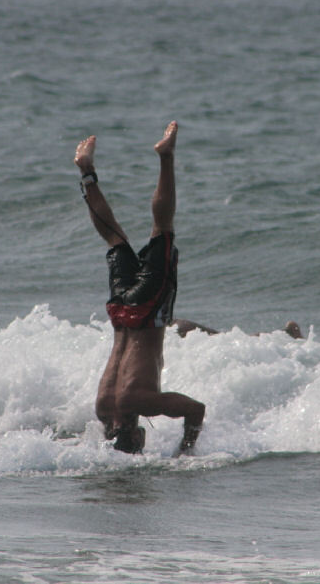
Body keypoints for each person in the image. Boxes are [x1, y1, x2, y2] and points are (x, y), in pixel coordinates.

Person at [74, 121, 205, 455]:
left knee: (162, 229)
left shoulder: (142, 402)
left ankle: (166, 157)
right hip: (119, 312)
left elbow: (196, 410)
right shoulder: (102, 407)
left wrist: (186, 450)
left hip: (147, 311)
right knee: (114, 237)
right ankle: (87, 173)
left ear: (134, 438)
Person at [171, 318, 304, 339]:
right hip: (174, 324)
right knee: (232, 340)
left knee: (233, 341)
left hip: (176, 327)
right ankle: (287, 333)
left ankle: (288, 332)